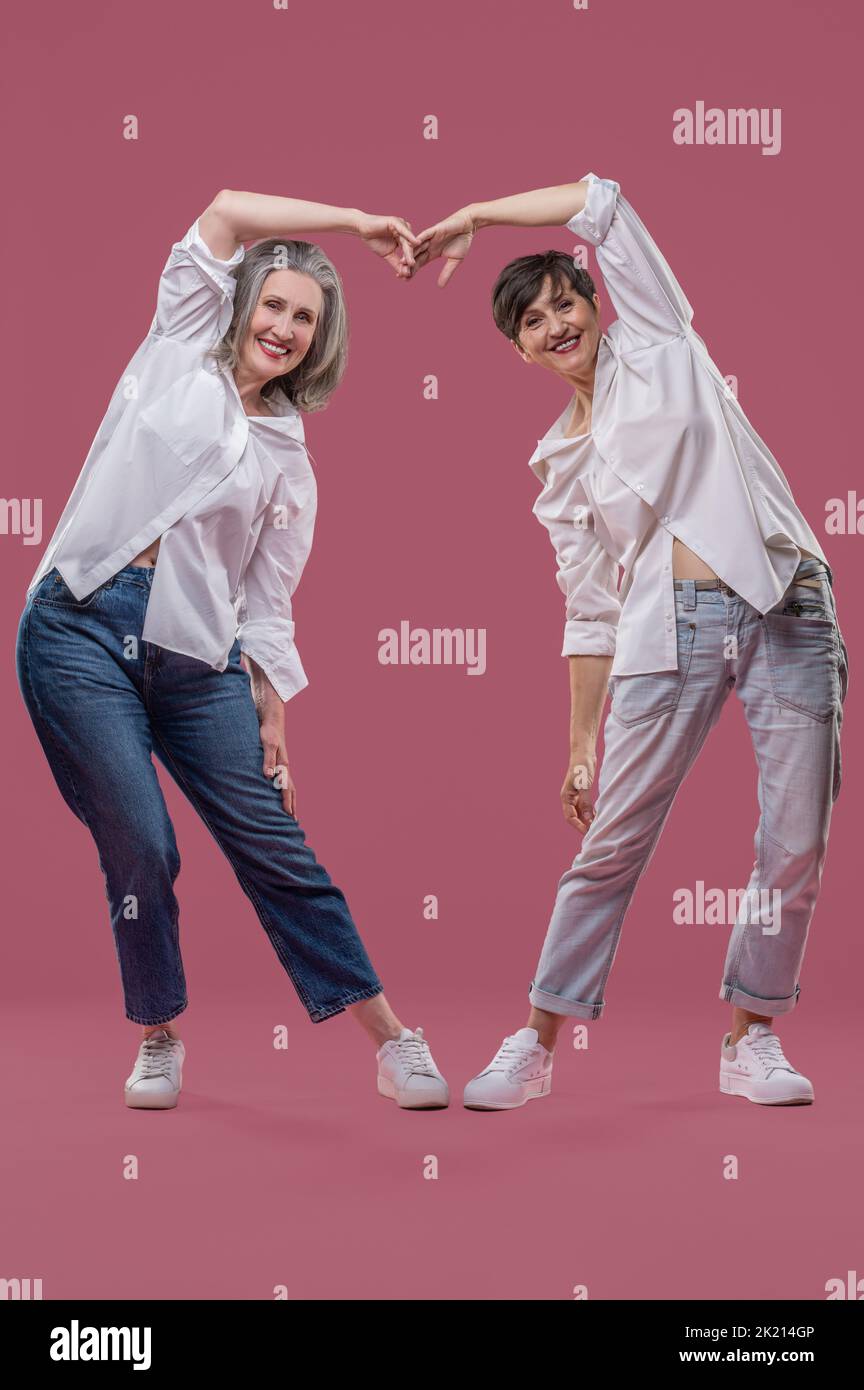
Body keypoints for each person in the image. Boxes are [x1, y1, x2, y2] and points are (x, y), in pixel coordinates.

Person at [410, 171, 849, 1110]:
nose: (557, 322)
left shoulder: (658, 340)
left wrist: (479, 217)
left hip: (787, 607)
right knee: (611, 844)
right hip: (670, 631)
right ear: (519, 347)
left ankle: (752, 1037)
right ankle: (535, 1042)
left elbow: (596, 197)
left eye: (567, 302)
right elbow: (588, 609)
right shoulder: (558, 460)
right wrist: (580, 742)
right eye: (534, 320)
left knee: (795, 840)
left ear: (596, 305)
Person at [15, 189, 451, 1112]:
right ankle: (159, 1033)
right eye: (277, 303)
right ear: (244, 299)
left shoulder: (289, 454)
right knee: (142, 837)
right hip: (80, 626)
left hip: (196, 658)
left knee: (276, 845)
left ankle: (391, 1040)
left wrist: (273, 715)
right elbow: (224, 207)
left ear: (318, 341)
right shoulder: (177, 347)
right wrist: (360, 225)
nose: (286, 327)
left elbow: (267, 600)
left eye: (306, 318)